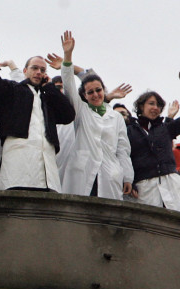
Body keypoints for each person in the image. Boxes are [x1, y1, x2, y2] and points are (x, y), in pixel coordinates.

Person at [0, 42, 75, 192]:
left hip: (47, 170)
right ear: (25, 70)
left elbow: (68, 115)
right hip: (17, 164)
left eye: (43, 70)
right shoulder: (13, 89)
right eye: (35, 68)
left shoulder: (48, 97)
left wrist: (50, 87)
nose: (39, 72)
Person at [52, 31, 134, 199]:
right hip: (83, 169)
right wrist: (68, 56)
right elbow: (68, 83)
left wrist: (127, 176)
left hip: (109, 173)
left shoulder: (116, 117)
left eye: (98, 90)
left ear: (104, 91)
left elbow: (123, 148)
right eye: (90, 92)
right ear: (84, 95)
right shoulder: (81, 110)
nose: (96, 95)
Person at [125, 73, 180, 212]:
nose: (155, 108)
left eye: (159, 105)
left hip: (171, 182)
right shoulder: (130, 131)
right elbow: (125, 157)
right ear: (141, 106)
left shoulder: (165, 128)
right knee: (148, 225)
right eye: (151, 103)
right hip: (145, 186)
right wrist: (131, 181)